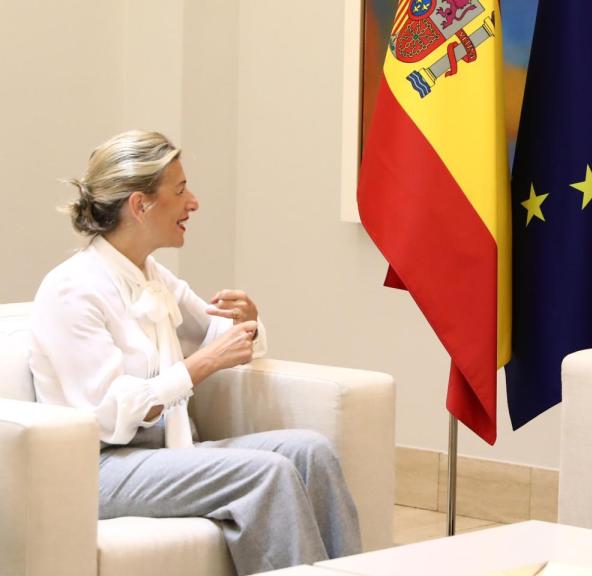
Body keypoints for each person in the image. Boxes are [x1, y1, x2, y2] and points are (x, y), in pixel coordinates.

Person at [29, 130, 361, 575]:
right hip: (96, 468)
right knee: (266, 475)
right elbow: (107, 415)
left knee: (311, 451)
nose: (194, 202)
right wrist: (202, 365)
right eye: (180, 190)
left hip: (164, 451)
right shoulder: (72, 289)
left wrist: (246, 320)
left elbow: (216, 334)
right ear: (140, 204)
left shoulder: (152, 276)